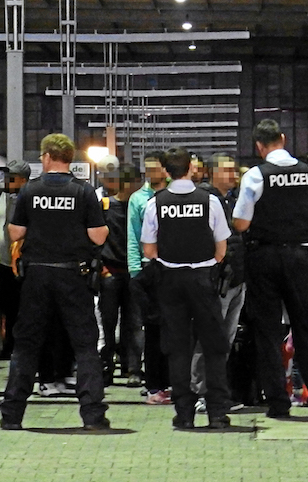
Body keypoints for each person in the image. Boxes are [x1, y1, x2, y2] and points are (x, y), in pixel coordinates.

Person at [232, 119, 308, 419]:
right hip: (300, 259)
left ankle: (278, 404)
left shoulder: (256, 175)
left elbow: (241, 223)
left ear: (259, 146)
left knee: (267, 332)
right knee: (306, 329)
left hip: (263, 260)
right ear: (283, 138)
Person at [0, 133, 110, 431]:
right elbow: (99, 235)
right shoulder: (84, 192)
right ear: (70, 159)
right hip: (73, 275)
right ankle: (93, 415)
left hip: (36, 275)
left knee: (27, 344)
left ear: (46, 157)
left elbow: (14, 233)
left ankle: (12, 415)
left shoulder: (30, 191)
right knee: (85, 344)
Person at [140, 147, 232, 429]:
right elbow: (222, 247)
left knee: (178, 348)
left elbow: (149, 248)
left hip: (170, 280)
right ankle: (216, 412)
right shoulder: (210, 201)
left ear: (165, 172)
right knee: (214, 345)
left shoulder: (155, 203)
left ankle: (184, 413)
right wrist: (204, 263)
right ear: (191, 168)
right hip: (203, 279)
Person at [192, 153, 247, 414]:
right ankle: (202, 392)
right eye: (227, 170)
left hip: (235, 280)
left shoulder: (231, 200)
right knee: (209, 339)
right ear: (212, 173)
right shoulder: (205, 200)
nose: (233, 174)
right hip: (216, 282)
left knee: (224, 339)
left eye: (234, 170)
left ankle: (217, 390)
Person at [127, 150, 171, 404]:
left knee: (174, 329)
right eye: (147, 168)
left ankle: (173, 381)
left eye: (154, 168)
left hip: (174, 269)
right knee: (152, 330)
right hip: (148, 269)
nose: (150, 173)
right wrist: (135, 270)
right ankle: (154, 383)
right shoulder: (138, 199)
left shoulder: (175, 195)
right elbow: (133, 236)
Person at [97, 163, 144, 387]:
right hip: (111, 272)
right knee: (108, 323)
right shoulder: (105, 206)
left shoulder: (139, 207)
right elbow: (95, 239)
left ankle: (131, 367)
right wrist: (102, 268)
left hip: (132, 271)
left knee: (133, 323)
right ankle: (108, 366)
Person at [0, 159, 31, 359]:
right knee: (6, 306)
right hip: (4, 262)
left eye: (12, 177)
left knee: (22, 307)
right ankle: (8, 345)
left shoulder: (28, 199)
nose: (7, 180)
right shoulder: (1, 195)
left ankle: (20, 346)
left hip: (21, 263)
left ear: (23, 180)